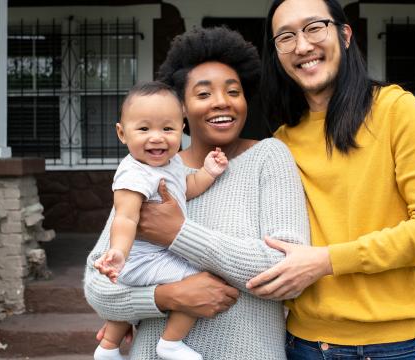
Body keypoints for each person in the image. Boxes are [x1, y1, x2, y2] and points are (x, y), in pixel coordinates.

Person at [245, 0, 415, 359]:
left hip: (390, 347)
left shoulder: (397, 111)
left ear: (344, 35)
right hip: (304, 344)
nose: (302, 46)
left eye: (314, 28)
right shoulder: (282, 142)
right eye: (285, 37)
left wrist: (326, 261)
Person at [83, 26, 310, 360]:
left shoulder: (269, 157)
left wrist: (179, 233)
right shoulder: (152, 170)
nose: (222, 102)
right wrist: (168, 297)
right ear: (182, 109)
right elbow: (99, 285)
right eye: (203, 94)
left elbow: (287, 272)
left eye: (234, 92)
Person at [92, 81, 229, 360]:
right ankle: (170, 342)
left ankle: (107, 348)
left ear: (182, 130)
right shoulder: (134, 175)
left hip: (150, 257)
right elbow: (126, 218)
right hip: (140, 259)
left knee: (136, 289)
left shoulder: (172, 163)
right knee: (195, 281)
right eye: (144, 129)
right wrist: (118, 252)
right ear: (122, 133)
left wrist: (208, 172)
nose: (157, 137)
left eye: (168, 129)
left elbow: (185, 188)